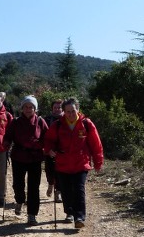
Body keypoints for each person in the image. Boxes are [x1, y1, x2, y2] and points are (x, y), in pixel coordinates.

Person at [43, 97, 103, 229]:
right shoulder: (58, 125)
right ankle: (69, 212)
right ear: (64, 111)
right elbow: (48, 140)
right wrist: (50, 150)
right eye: (68, 111)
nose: (70, 114)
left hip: (80, 163)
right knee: (66, 190)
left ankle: (79, 217)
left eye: (73, 111)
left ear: (78, 109)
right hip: (62, 164)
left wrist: (98, 162)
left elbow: (95, 144)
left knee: (79, 190)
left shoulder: (86, 124)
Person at [3, 96, 48, 225]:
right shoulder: (16, 122)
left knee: (34, 187)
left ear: (35, 109)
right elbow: (8, 136)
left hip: (35, 158)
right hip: (19, 156)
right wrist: (5, 144)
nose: (28, 109)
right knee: (18, 184)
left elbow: (47, 137)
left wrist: (46, 147)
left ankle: (32, 214)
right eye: (26, 107)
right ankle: (19, 200)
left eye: (31, 107)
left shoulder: (40, 121)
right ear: (22, 108)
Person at [44, 99, 63, 200]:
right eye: (55, 107)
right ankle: (51, 183)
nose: (57, 109)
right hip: (49, 150)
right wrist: (48, 150)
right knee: (49, 171)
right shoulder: (47, 119)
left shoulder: (67, 119)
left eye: (59, 107)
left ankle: (58, 192)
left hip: (62, 151)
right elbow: (43, 136)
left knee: (60, 172)